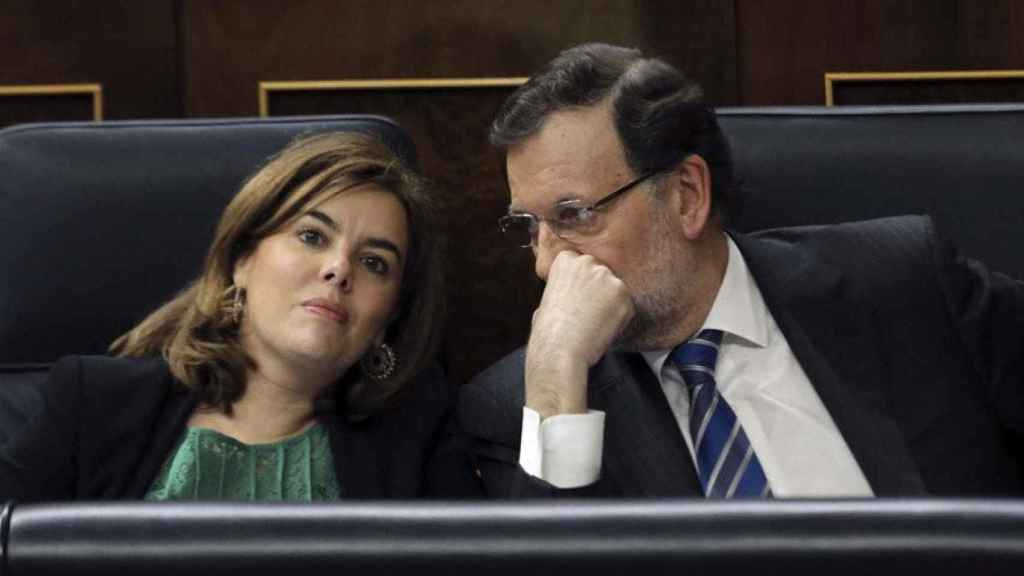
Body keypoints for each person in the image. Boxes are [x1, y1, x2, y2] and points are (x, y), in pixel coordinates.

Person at [456, 43, 1024, 498]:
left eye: (575, 215)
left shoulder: (903, 283)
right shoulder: (522, 406)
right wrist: (556, 378)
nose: (547, 262)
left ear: (686, 195)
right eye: (529, 226)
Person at [0, 131, 455, 501]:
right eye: (312, 236)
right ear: (241, 259)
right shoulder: (91, 405)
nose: (339, 269)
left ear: (390, 315)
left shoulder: (420, 433)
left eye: (375, 262)